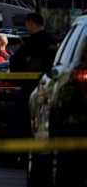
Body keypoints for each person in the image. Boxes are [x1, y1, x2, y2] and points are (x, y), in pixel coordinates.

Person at [8, 12, 58, 154]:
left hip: (32, 87)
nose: (26, 28)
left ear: (31, 22)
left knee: (20, 117)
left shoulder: (32, 42)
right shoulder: (52, 41)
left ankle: (25, 154)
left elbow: (16, 62)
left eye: (26, 24)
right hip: (51, 87)